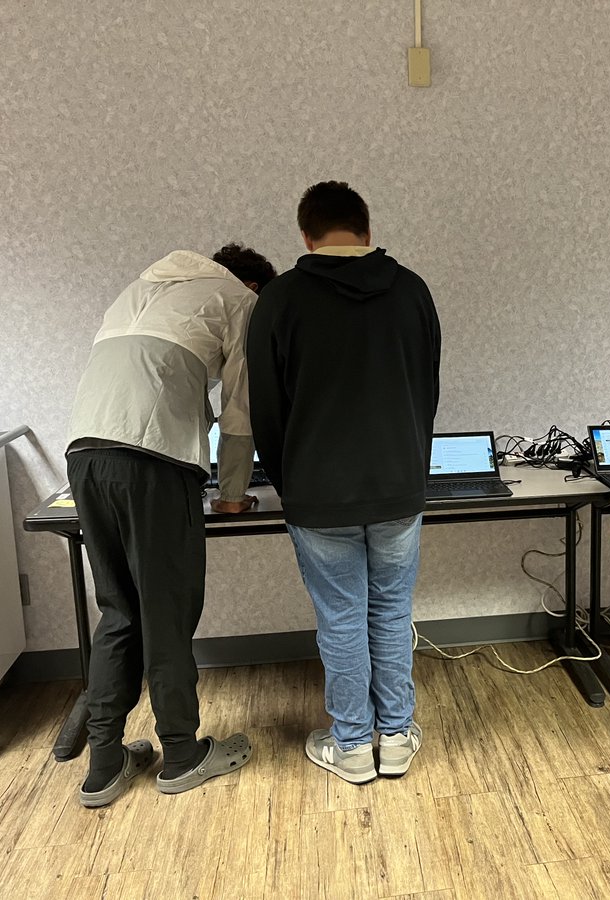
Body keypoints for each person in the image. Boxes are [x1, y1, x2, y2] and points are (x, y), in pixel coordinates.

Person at [65, 243, 275, 806]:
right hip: (153, 462)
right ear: (255, 286)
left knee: (118, 609)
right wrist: (232, 496)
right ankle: (182, 754)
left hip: (84, 456)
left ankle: (105, 763)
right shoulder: (239, 300)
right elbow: (240, 411)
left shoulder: (137, 289)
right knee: (166, 610)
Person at [246, 181, 440, 784]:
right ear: (367, 231)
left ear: (306, 236)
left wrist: (290, 481)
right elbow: (426, 391)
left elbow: (266, 411)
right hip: (398, 487)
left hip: (317, 493)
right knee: (389, 611)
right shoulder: (412, 292)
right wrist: (410, 465)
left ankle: (353, 746)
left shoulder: (279, 300)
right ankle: (396, 737)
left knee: (341, 616)